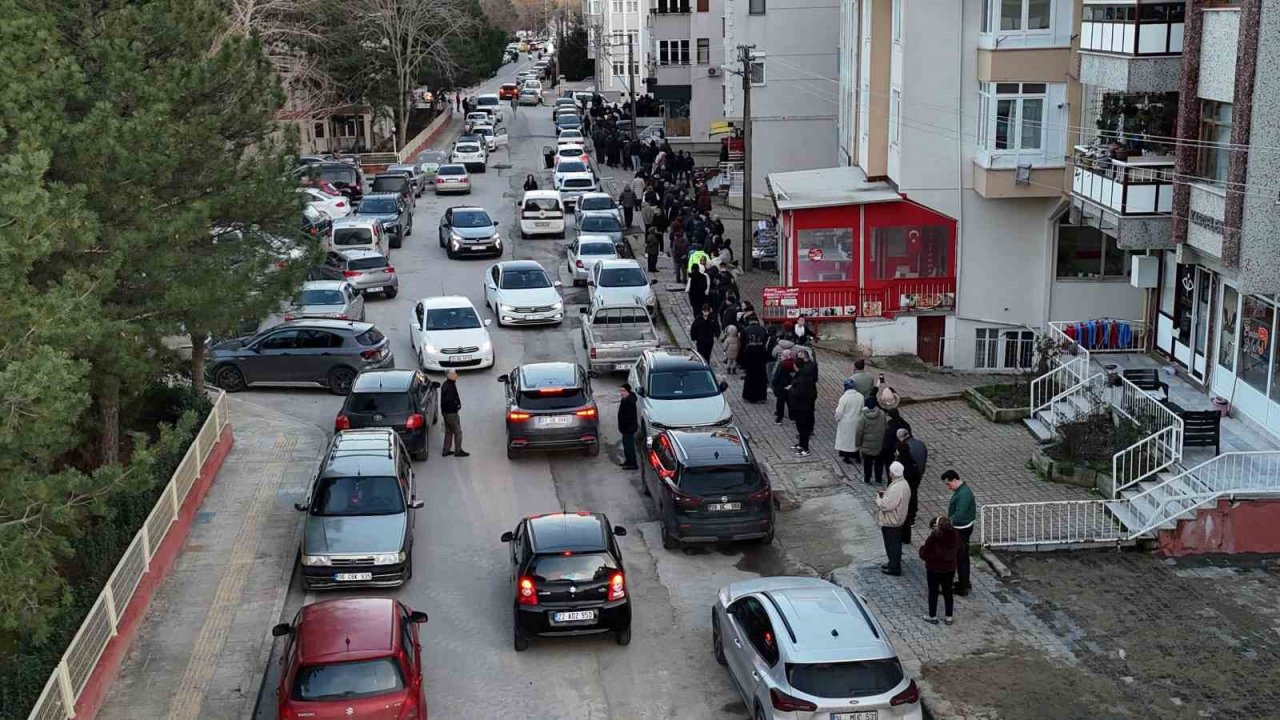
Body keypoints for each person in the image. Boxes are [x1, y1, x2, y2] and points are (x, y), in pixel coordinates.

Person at [920, 515, 961, 625]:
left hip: (934, 569)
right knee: (948, 592)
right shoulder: (955, 535)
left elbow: (924, 554)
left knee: (933, 592)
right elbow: (959, 549)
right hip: (949, 569)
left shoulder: (934, 537)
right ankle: (949, 617)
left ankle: (932, 616)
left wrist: (921, 549)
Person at [876, 462, 911, 576]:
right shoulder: (903, 483)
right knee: (894, 544)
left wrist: (879, 499)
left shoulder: (896, 487)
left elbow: (886, 506)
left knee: (892, 545)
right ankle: (893, 562)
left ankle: (894, 567)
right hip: (898, 519)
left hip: (892, 521)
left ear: (893, 473)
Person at [945, 470, 977, 596]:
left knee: (961, 557)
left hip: (962, 529)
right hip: (962, 527)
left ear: (954, 480)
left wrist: (947, 522)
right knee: (962, 556)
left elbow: (960, 513)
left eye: (948, 484)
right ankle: (964, 582)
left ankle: (963, 586)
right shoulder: (962, 491)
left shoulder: (964, 494)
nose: (948, 487)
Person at [788, 350, 818, 457]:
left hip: (802, 406)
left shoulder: (803, 379)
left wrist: (791, 390)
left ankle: (806, 448)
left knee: (803, 428)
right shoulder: (801, 376)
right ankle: (801, 444)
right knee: (800, 427)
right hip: (800, 406)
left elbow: (799, 393)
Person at [895, 435, 922, 544]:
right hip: (912, 489)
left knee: (902, 515)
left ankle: (902, 535)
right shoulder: (912, 461)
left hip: (902, 492)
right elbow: (917, 475)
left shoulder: (898, 464)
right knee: (910, 507)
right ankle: (910, 524)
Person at [834, 379, 865, 465]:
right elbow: (862, 409)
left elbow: (839, 412)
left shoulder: (844, 398)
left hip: (846, 423)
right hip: (857, 420)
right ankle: (857, 457)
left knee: (846, 442)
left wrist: (837, 418)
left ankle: (847, 457)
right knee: (856, 439)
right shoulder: (860, 396)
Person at [857, 394, 887, 483]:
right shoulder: (882, 414)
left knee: (867, 464)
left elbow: (859, 432)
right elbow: (885, 427)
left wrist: (858, 443)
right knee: (879, 463)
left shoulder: (863, 418)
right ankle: (878, 479)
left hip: (867, 446)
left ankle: (867, 479)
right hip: (879, 444)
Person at [739, 321, 771, 403]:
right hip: (761, 354)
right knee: (761, 376)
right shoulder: (763, 330)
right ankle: (760, 397)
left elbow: (742, 343)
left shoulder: (745, 329)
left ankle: (749, 397)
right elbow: (766, 341)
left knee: (750, 376)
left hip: (749, 354)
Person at [440, 370, 468, 457]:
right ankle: (458, 450)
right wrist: (456, 405)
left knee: (449, 431)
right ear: (449, 375)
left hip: (445, 412)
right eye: (454, 374)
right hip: (451, 413)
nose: (456, 375)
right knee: (458, 432)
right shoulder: (450, 386)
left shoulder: (445, 384)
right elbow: (449, 399)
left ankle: (446, 450)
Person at [771, 338, 796, 424]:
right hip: (790, 386)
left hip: (781, 386)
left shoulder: (782, 364)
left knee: (780, 403)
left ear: (784, 356)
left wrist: (773, 383)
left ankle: (779, 418)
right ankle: (792, 417)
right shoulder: (793, 363)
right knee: (790, 402)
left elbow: (777, 375)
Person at [618, 384, 640, 469]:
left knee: (629, 446)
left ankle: (633, 464)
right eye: (621, 391)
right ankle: (628, 461)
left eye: (623, 391)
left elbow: (628, 417)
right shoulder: (625, 399)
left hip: (628, 428)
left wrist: (624, 426)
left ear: (628, 391)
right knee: (626, 445)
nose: (621, 393)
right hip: (625, 428)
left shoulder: (629, 401)